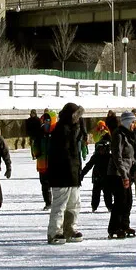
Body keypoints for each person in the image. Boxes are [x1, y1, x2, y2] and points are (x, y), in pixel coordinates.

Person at [46, 102, 85, 244]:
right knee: (59, 206)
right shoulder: (61, 130)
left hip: (73, 174)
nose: (79, 120)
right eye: (77, 117)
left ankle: (70, 229)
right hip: (61, 175)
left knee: (74, 204)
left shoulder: (75, 131)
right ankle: (55, 232)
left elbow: (76, 154)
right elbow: (57, 156)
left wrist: (78, 172)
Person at [107, 111, 136, 239]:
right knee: (120, 201)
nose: (134, 125)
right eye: (132, 122)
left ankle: (125, 224)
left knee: (128, 200)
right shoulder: (118, 135)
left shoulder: (128, 135)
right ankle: (114, 227)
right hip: (117, 174)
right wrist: (124, 175)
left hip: (125, 173)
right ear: (127, 122)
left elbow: (129, 156)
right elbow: (117, 157)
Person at [81, 126, 113, 213]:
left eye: (103, 149)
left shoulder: (110, 157)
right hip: (97, 177)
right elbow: (88, 166)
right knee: (96, 193)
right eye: (100, 149)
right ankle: (94, 206)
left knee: (107, 193)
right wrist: (81, 174)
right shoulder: (96, 157)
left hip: (107, 177)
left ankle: (110, 206)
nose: (101, 151)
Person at [32, 112, 54, 209]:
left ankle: (56, 203)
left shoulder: (55, 132)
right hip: (42, 162)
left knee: (55, 184)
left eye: (48, 121)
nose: (46, 123)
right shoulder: (39, 132)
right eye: (45, 120)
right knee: (44, 184)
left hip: (53, 163)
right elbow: (34, 145)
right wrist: (36, 153)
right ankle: (48, 202)